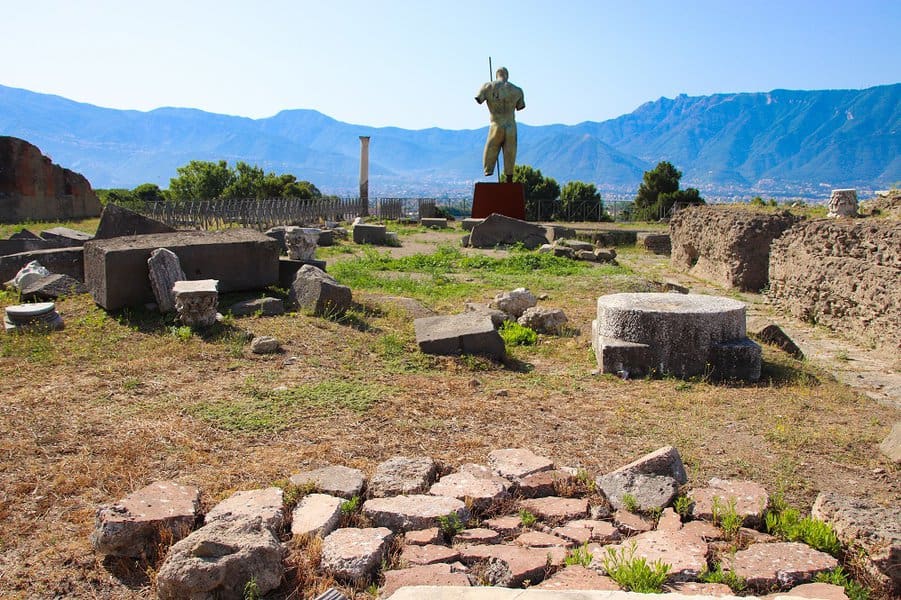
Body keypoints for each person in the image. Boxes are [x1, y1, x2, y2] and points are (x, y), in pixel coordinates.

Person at [476, 67, 525, 181]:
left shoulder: (488, 86)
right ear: (507, 75)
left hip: (496, 125)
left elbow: (479, 99)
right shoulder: (517, 90)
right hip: (511, 126)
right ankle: (509, 177)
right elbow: (520, 106)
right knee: (510, 152)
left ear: (497, 74)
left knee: (491, 148)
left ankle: (488, 170)